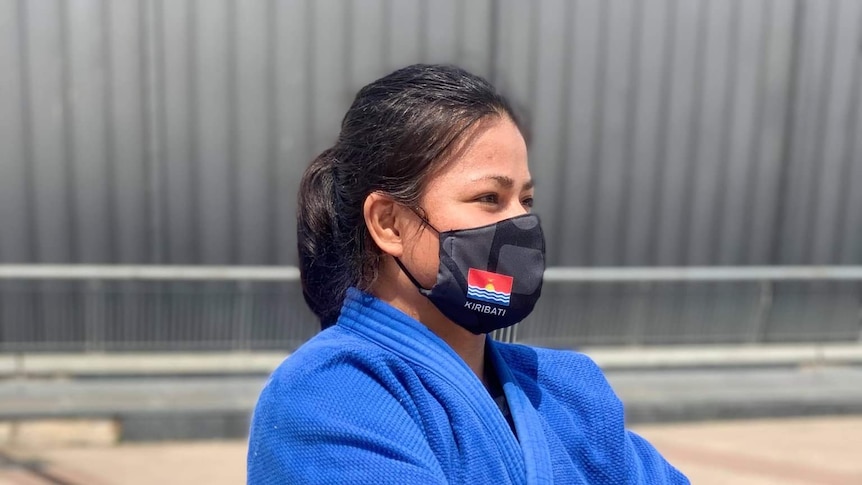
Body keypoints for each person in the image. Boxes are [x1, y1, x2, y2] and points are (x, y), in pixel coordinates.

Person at [247, 64, 688, 484]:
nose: (521, 224)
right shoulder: (326, 396)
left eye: (526, 201)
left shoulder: (569, 389)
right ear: (389, 223)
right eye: (489, 198)